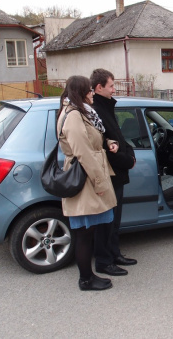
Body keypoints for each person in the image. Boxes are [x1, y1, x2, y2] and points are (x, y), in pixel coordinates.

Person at [57, 75, 118, 291]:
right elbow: (82, 152)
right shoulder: (73, 115)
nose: (93, 93)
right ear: (82, 91)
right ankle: (85, 279)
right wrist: (100, 183)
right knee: (84, 233)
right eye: (90, 90)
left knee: (88, 231)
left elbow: (92, 138)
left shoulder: (82, 112)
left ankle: (88, 276)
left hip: (88, 177)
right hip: (85, 180)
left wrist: (108, 142)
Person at [90, 68, 137, 277]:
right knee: (106, 221)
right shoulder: (96, 111)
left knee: (114, 219)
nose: (114, 89)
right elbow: (104, 147)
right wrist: (127, 161)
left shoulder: (106, 108)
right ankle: (103, 261)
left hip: (117, 174)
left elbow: (118, 137)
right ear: (99, 87)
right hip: (109, 174)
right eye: (111, 85)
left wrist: (131, 155)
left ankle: (114, 253)